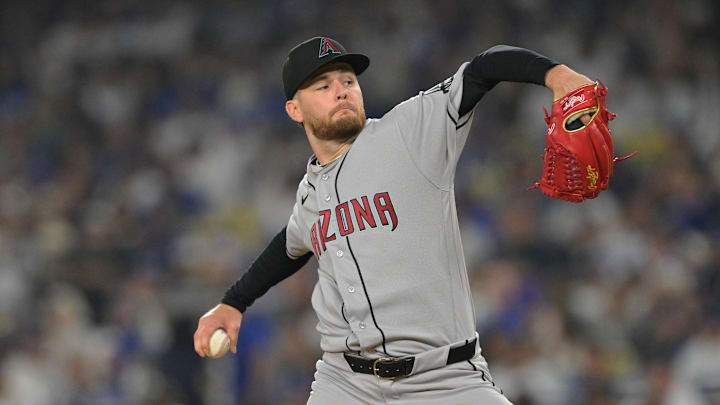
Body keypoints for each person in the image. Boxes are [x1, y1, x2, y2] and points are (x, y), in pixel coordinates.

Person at [194, 36, 594, 404]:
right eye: (323, 85)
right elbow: (289, 246)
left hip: (444, 379)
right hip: (345, 383)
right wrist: (233, 303)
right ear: (294, 109)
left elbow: (482, 69)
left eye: (348, 80)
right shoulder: (311, 189)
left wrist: (557, 75)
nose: (341, 89)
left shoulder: (409, 131)